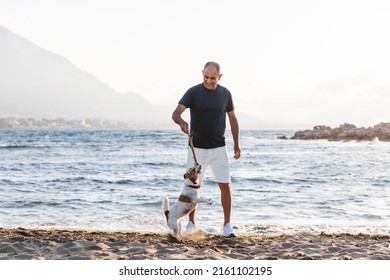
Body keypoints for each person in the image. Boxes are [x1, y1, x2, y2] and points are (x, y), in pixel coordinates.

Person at [171, 61, 241, 237]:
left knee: (225, 185)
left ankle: (227, 226)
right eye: (206, 77)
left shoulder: (225, 94)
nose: (209, 81)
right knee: (192, 188)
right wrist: (181, 121)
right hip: (197, 148)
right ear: (202, 73)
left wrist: (237, 145)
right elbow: (175, 113)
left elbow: (233, 120)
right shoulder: (193, 92)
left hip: (219, 147)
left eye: (213, 78)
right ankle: (191, 223)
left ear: (220, 77)